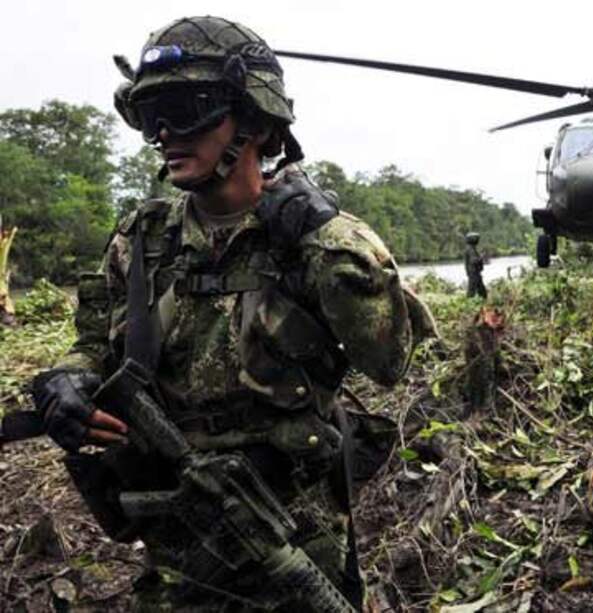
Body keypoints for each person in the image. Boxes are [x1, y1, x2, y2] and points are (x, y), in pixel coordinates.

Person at [30, 16, 434, 611]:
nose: (166, 133)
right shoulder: (141, 240)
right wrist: (66, 380)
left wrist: (325, 237)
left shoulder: (315, 238)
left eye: (187, 109)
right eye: (150, 116)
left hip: (292, 541)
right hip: (177, 539)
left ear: (252, 121)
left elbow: (389, 360)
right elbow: (94, 343)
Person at [464, 232, 487, 298]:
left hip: (474, 272)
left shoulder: (471, 248)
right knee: (472, 291)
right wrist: (481, 257)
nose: (478, 240)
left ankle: (482, 302)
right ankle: (469, 304)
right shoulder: (470, 249)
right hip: (473, 273)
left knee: (481, 291)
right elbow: (474, 261)